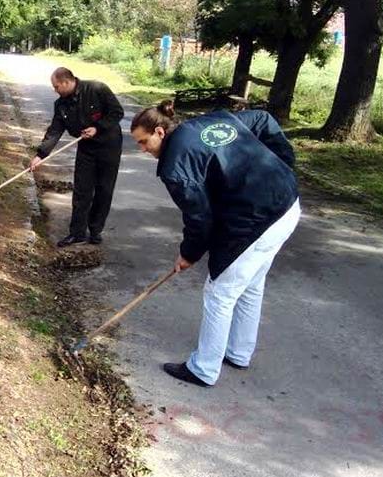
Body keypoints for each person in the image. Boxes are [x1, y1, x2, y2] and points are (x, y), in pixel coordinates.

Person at [130, 101, 300, 387]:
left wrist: (188, 254)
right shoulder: (212, 120)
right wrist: (283, 166)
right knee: (250, 285)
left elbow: (199, 218)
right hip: (288, 204)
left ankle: (203, 369)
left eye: (143, 142)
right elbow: (263, 118)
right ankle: (238, 353)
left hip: (256, 220)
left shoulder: (174, 165)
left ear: (160, 131)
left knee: (219, 292)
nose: (142, 149)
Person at [30, 67, 124, 247]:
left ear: (66, 82)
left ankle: (95, 230)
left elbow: (117, 112)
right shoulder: (61, 104)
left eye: (56, 86)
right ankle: (77, 233)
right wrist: (41, 155)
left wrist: (98, 127)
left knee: (104, 190)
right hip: (86, 149)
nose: (55, 90)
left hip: (109, 147)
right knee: (82, 191)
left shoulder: (96, 89)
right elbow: (55, 130)